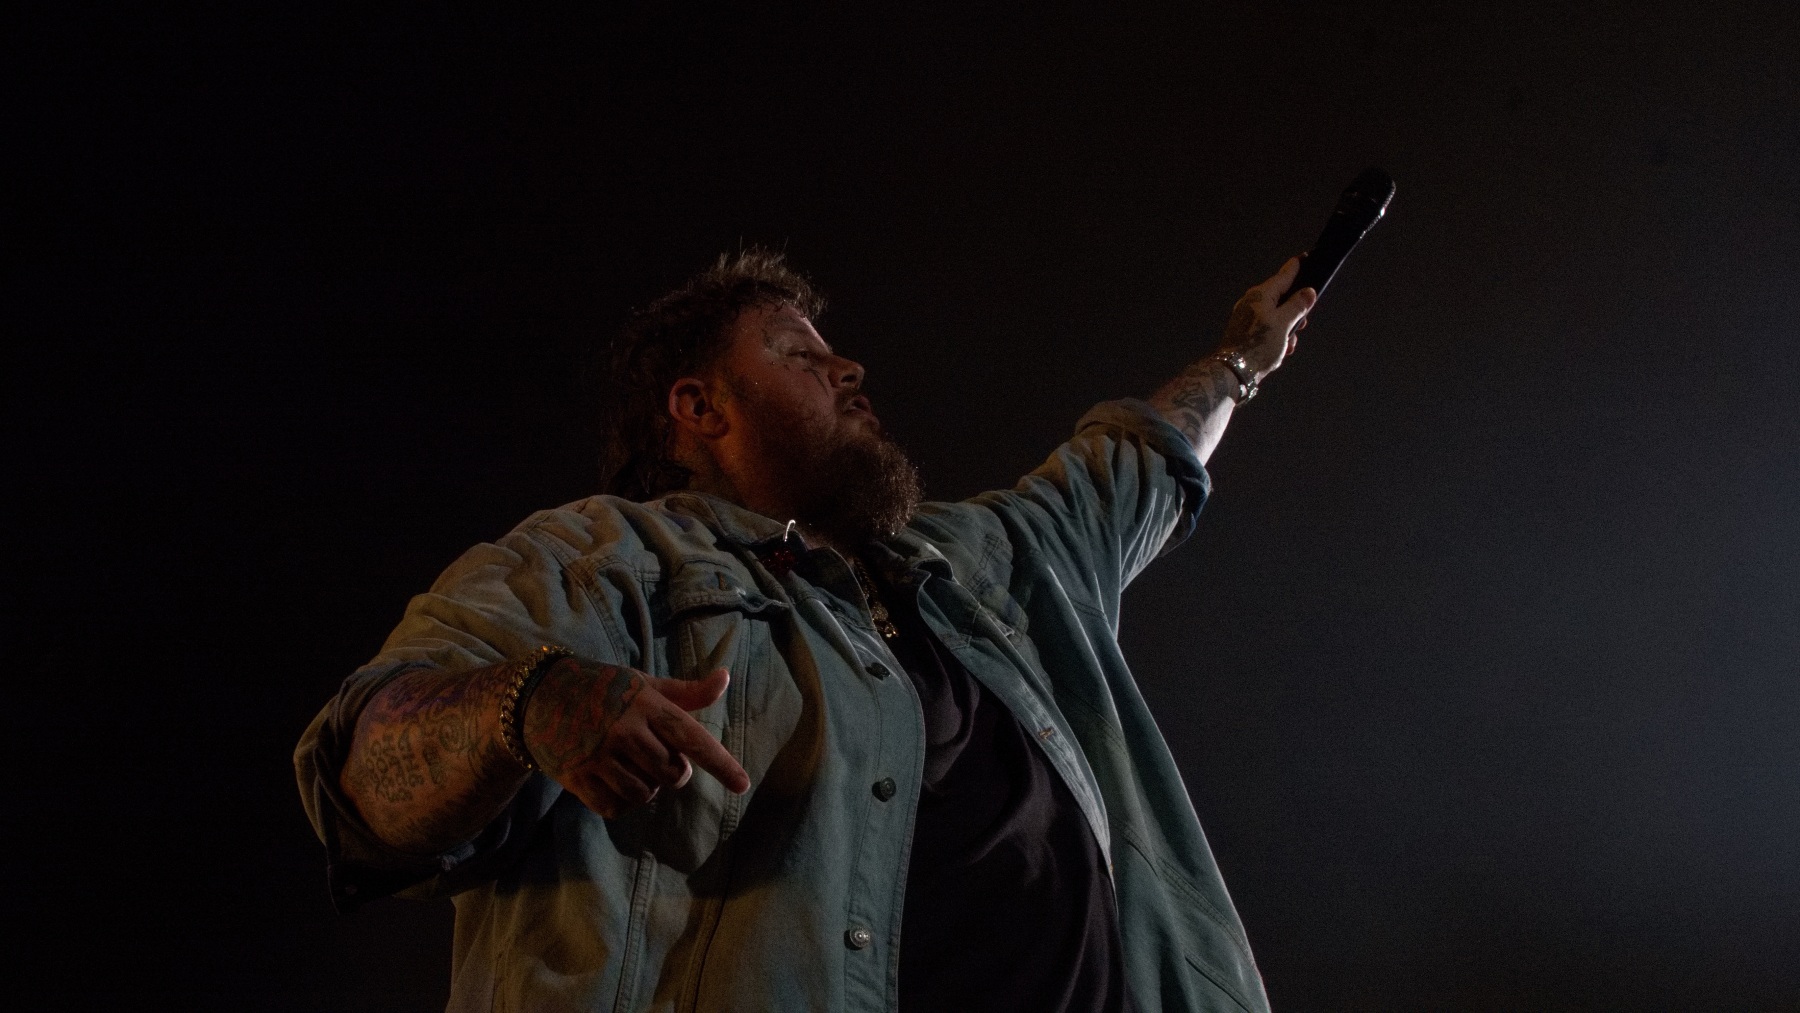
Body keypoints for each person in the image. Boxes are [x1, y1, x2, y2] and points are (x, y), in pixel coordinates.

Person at [295, 248, 1315, 1013]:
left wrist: (1240, 359)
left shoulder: (978, 561)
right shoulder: (596, 558)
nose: (850, 370)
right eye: (799, 355)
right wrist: (532, 701)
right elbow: (358, 776)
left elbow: (1131, 463)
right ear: (701, 407)